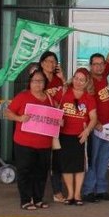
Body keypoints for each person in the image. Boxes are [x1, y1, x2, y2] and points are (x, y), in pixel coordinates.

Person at [4, 67, 57, 210]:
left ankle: (38, 198)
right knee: (25, 171)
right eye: (35, 81)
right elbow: (7, 113)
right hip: (24, 142)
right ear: (30, 83)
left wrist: (59, 121)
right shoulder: (23, 97)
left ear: (45, 83)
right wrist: (19, 118)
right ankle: (26, 200)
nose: (38, 84)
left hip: (44, 143)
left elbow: (55, 116)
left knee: (41, 172)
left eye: (41, 81)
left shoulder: (50, 99)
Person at [82, 33, 109, 203]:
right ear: (90, 66)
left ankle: (101, 189)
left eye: (101, 64)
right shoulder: (88, 81)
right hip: (95, 127)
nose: (99, 67)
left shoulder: (104, 75)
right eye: (96, 64)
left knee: (105, 159)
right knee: (94, 159)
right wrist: (95, 122)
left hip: (108, 126)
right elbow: (84, 105)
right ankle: (88, 190)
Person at [57, 68, 98, 206]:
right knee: (67, 165)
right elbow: (55, 110)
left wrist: (87, 131)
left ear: (86, 82)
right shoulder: (64, 93)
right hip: (64, 134)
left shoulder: (89, 98)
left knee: (79, 165)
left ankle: (77, 194)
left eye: (82, 80)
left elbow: (93, 118)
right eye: (76, 78)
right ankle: (70, 194)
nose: (78, 82)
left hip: (80, 135)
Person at [37, 50, 66, 204]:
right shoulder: (37, 79)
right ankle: (36, 193)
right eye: (48, 61)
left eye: (54, 61)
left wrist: (62, 78)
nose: (51, 64)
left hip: (56, 125)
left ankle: (57, 191)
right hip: (41, 125)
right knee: (41, 160)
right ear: (42, 63)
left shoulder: (57, 80)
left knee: (57, 160)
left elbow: (68, 95)